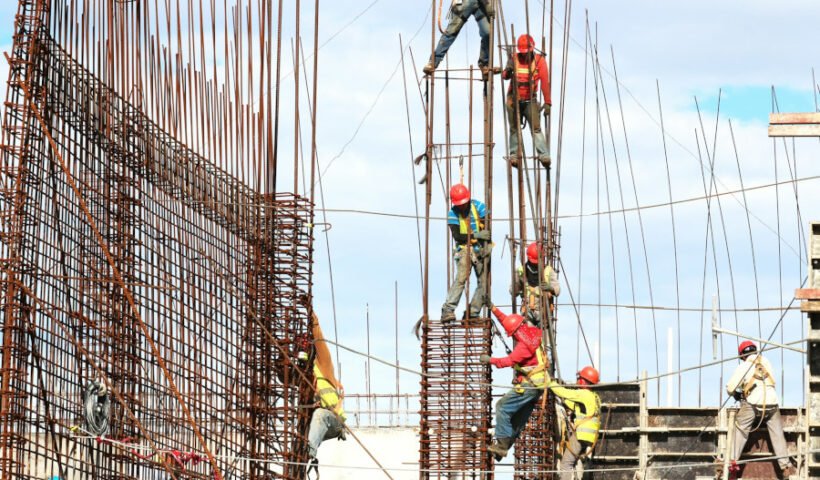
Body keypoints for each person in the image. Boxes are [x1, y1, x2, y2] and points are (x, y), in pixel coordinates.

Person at [481, 306, 548, 459]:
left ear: (515, 332)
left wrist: (489, 360)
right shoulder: (534, 333)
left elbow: (508, 361)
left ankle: (502, 445)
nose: (512, 337)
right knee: (517, 421)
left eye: (512, 335)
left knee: (502, 407)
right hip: (537, 387)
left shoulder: (524, 346)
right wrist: (493, 308)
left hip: (529, 385)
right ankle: (503, 447)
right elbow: (509, 322)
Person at [724, 341, 795, 478]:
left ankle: (732, 463)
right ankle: (785, 466)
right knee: (778, 435)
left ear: (742, 356)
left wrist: (736, 394)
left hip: (753, 405)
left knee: (740, 429)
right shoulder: (766, 362)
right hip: (772, 405)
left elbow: (730, 387)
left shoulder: (744, 365)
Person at [441, 183, 490, 323]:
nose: (462, 206)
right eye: (459, 204)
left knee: (484, 283)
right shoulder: (452, 214)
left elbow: (487, 224)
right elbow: (457, 236)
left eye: (464, 203)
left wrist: (484, 237)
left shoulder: (478, 206)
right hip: (464, 249)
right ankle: (448, 310)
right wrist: (477, 235)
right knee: (461, 279)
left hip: (480, 249)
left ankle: (473, 313)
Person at [502, 34, 551, 168]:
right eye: (523, 53)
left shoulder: (539, 60)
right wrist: (507, 71)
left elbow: (545, 82)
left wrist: (548, 102)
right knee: (514, 129)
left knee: (536, 129)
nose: (525, 55)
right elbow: (505, 76)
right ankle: (514, 155)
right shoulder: (514, 59)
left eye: (527, 52)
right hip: (514, 99)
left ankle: (543, 155)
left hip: (530, 100)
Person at [307, 313, 347, 463]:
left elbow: (319, 340)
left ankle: (309, 451)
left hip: (334, 420)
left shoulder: (323, 365)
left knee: (319, 414)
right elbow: (284, 376)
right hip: (316, 424)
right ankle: (304, 450)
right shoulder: (303, 376)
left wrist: (312, 317)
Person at [551, 366, 601, 480]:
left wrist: (550, 383)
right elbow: (578, 407)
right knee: (580, 462)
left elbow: (563, 392)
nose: (578, 380)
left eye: (580, 378)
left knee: (566, 463)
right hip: (590, 437)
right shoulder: (595, 397)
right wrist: (563, 401)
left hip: (581, 435)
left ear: (584, 381)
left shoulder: (583, 393)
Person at [423, 0, 494, 76]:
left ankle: (484, 64)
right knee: (452, 31)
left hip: (482, 3)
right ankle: (433, 62)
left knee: (488, 33)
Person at [514, 242, 560, 323]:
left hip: (544, 312)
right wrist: (518, 283)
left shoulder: (548, 270)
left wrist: (551, 288)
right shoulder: (521, 271)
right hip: (528, 312)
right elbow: (513, 292)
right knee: (528, 334)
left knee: (544, 334)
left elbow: (557, 290)